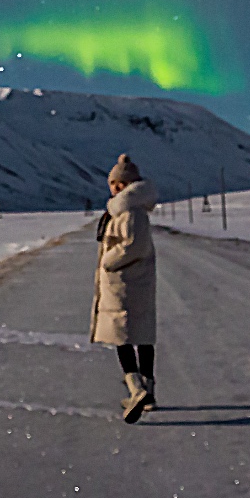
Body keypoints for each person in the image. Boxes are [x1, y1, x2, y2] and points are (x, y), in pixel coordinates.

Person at [89, 153, 158, 423]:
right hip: (130, 281)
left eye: (122, 183)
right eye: (114, 182)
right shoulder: (123, 210)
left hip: (126, 282)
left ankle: (137, 389)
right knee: (139, 334)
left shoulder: (131, 211)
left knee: (122, 335)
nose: (117, 187)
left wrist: (108, 261)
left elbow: (134, 246)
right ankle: (147, 392)